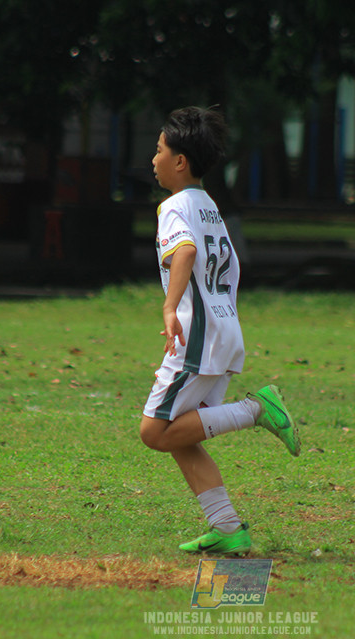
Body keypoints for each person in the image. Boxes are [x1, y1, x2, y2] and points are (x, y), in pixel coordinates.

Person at [139, 106, 301, 556]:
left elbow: (185, 253)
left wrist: (171, 307)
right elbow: (232, 267)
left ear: (180, 161)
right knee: (181, 435)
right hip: (222, 333)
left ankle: (256, 409)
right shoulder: (209, 207)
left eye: (158, 150)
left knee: (154, 432)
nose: (153, 159)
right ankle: (227, 526)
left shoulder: (173, 206)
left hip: (198, 340)